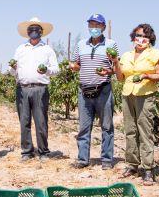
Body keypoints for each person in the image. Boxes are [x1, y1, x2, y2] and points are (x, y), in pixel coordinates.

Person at [116, 24, 159, 183]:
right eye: (138, 35)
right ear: (133, 37)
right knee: (130, 130)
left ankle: (148, 168)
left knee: (145, 130)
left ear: (150, 39)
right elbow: (120, 77)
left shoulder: (155, 54)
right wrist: (115, 63)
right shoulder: (126, 55)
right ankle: (132, 164)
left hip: (145, 94)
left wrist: (146, 76)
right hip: (127, 93)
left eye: (145, 36)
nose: (141, 39)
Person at [69, 14, 118, 169]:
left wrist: (108, 71)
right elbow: (76, 63)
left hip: (103, 90)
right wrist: (73, 66)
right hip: (84, 91)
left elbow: (116, 68)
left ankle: (106, 160)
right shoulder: (81, 44)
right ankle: (83, 159)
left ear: (103, 27)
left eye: (97, 25)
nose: (94, 28)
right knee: (83, 127)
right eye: (91, 25)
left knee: (107, 126)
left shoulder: (111, 44)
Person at [10, 17, 58, 161]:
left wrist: (47, 70)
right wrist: (12, 68)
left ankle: (43, 151)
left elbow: (56, 69)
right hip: (22, 88)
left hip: (40, 88)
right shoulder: (20, 49)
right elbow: (13, 71)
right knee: (24, 122)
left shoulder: (47, 49)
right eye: (31, 29)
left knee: (41, 122)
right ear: (27, 32)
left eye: (36, 29)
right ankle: (27, 151)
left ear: (41, 32)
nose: (34, 32)